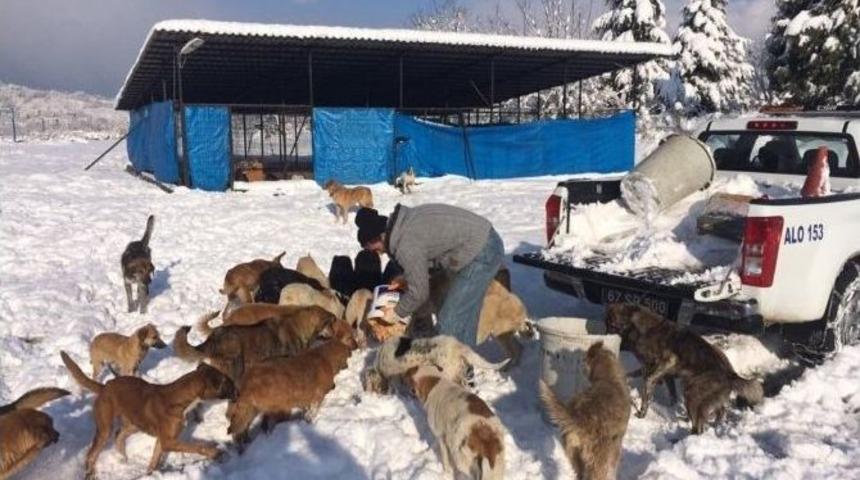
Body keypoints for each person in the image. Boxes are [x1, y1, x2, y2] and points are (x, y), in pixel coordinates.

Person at [354, 204, 504, 346]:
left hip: (482, 251)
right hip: (477, 244)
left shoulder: (405, 244)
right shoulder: (402, 226)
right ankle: (464, 366)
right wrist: (406, 279)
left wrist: (395, 313)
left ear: (378, 238)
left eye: (372, 249)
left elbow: (419, 292)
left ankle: (454, 368)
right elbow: (428, 255)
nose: (376, 253)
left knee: (450, 321)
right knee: (462, 317)